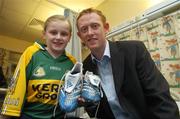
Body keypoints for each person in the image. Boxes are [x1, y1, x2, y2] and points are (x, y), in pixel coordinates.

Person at [76, 8, 180, 119]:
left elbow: (160, 98)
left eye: (95, 26)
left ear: (106, 28)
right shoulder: (84, 68)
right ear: (80, 36)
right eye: (84, 29)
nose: (90, 33)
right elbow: (98, 111)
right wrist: (86, 103)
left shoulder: (134, 50)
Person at [1, 15, 77, 119]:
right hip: (29, 116)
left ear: (69, 38)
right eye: (53, 32)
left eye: (64, 34)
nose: (58, 37)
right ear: (44, 34)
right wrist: (8, 114)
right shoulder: (31, 53)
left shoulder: (72, 62)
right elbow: (17, 85)